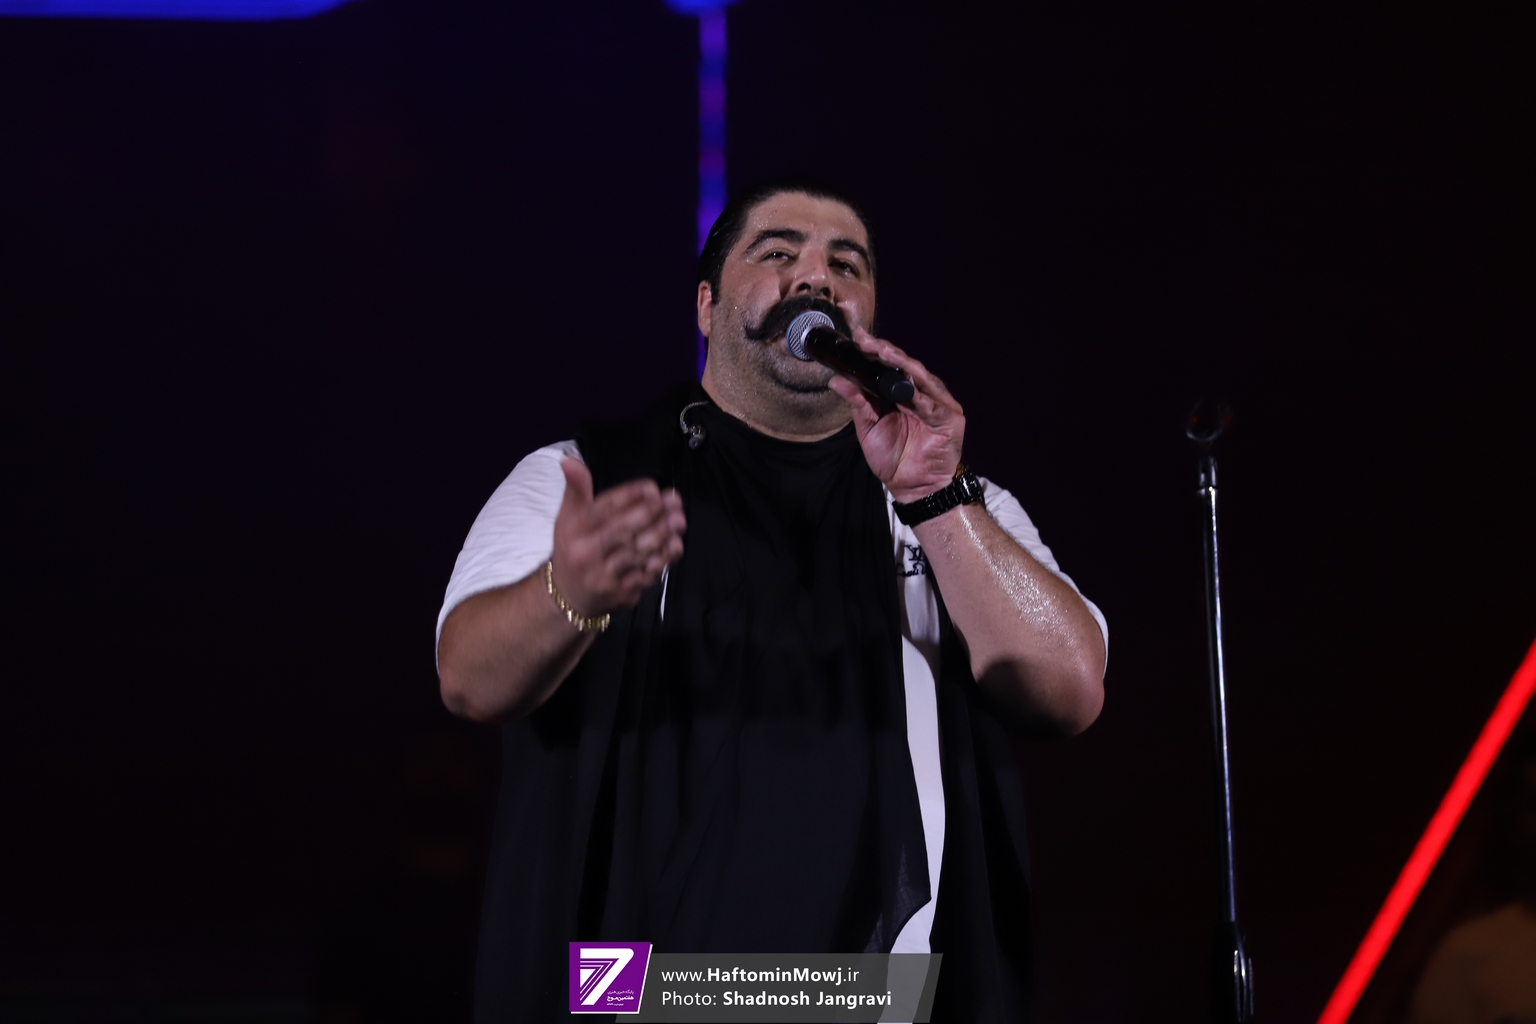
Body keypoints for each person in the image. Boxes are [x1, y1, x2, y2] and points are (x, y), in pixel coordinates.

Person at [435, 178, 1108, 1022]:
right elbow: (468, 678)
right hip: (639, 996)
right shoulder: (581, 479)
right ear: (707, 305)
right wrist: (570, 592)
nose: (816, 277)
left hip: (876, 999)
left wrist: (936, 497)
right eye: (778, 252)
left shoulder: (952, 501)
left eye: (847, 265)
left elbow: (1071, 690)